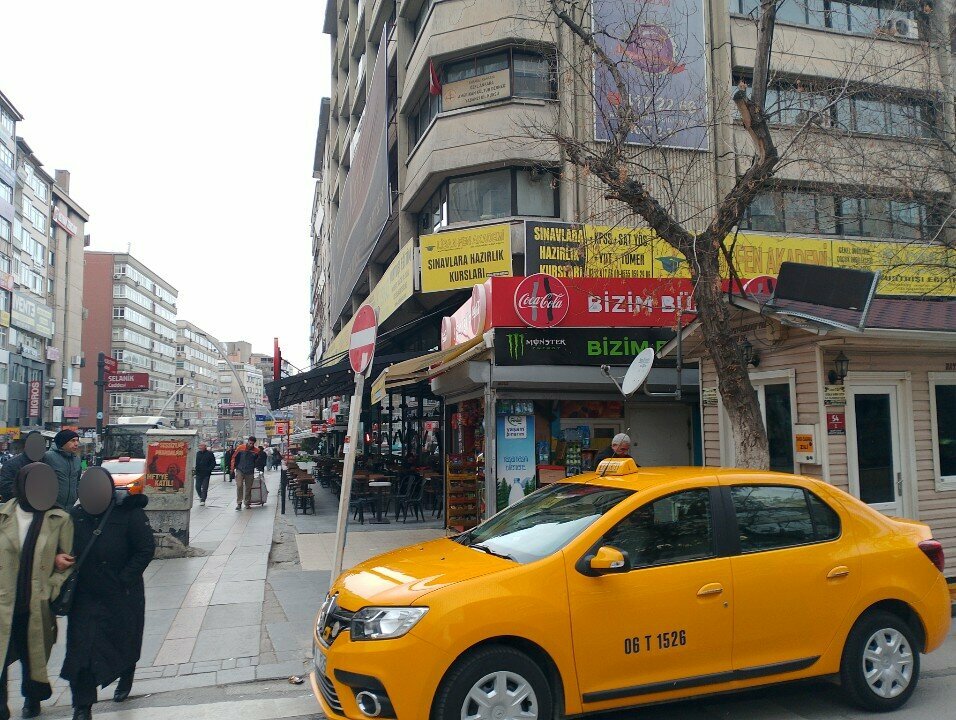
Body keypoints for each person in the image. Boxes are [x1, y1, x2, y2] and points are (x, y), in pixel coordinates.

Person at [60, 467, 155, 719]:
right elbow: (61, 548)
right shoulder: (75, 516)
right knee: (81, 650)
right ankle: (82, 706)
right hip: (85, 595)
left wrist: (124, 579)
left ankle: (126, 672)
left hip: (121, 593)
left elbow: (145, 549)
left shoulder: (129, 512)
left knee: (123, 640)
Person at [0, 462, 75, 720]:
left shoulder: (59, 519)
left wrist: (50, 589)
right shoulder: (4, 514)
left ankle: (32, 698)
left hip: (35, 601)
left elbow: (68, 562)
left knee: (32, 653)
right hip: (3, 600)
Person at [0, 432, 45, 503]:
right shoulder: (11, 464)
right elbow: (4, 487)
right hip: (17, 505)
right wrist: (27, 492)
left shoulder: (47, 461)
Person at [43, 430, 83, 509]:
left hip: (71, 507)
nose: (76, 444)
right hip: (51, 507)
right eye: (72, 441)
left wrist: (76, 494)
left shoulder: (77, 459)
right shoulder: (48, 457)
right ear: (63, 442)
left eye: (77, 440)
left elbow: (78, 480)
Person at [231, 437, 259, 510]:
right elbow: (234, 457)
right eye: (250, 443)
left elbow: (257, 460)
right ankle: (239, 503)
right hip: (240, 469)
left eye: (252, 444)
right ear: (248, 441)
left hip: (250, 471)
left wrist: (256, 465)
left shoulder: (256, 451)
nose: (251, 445)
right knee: (239, 485)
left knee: (248, 487)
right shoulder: (240, 448)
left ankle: (247, 503)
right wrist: (232, 468)